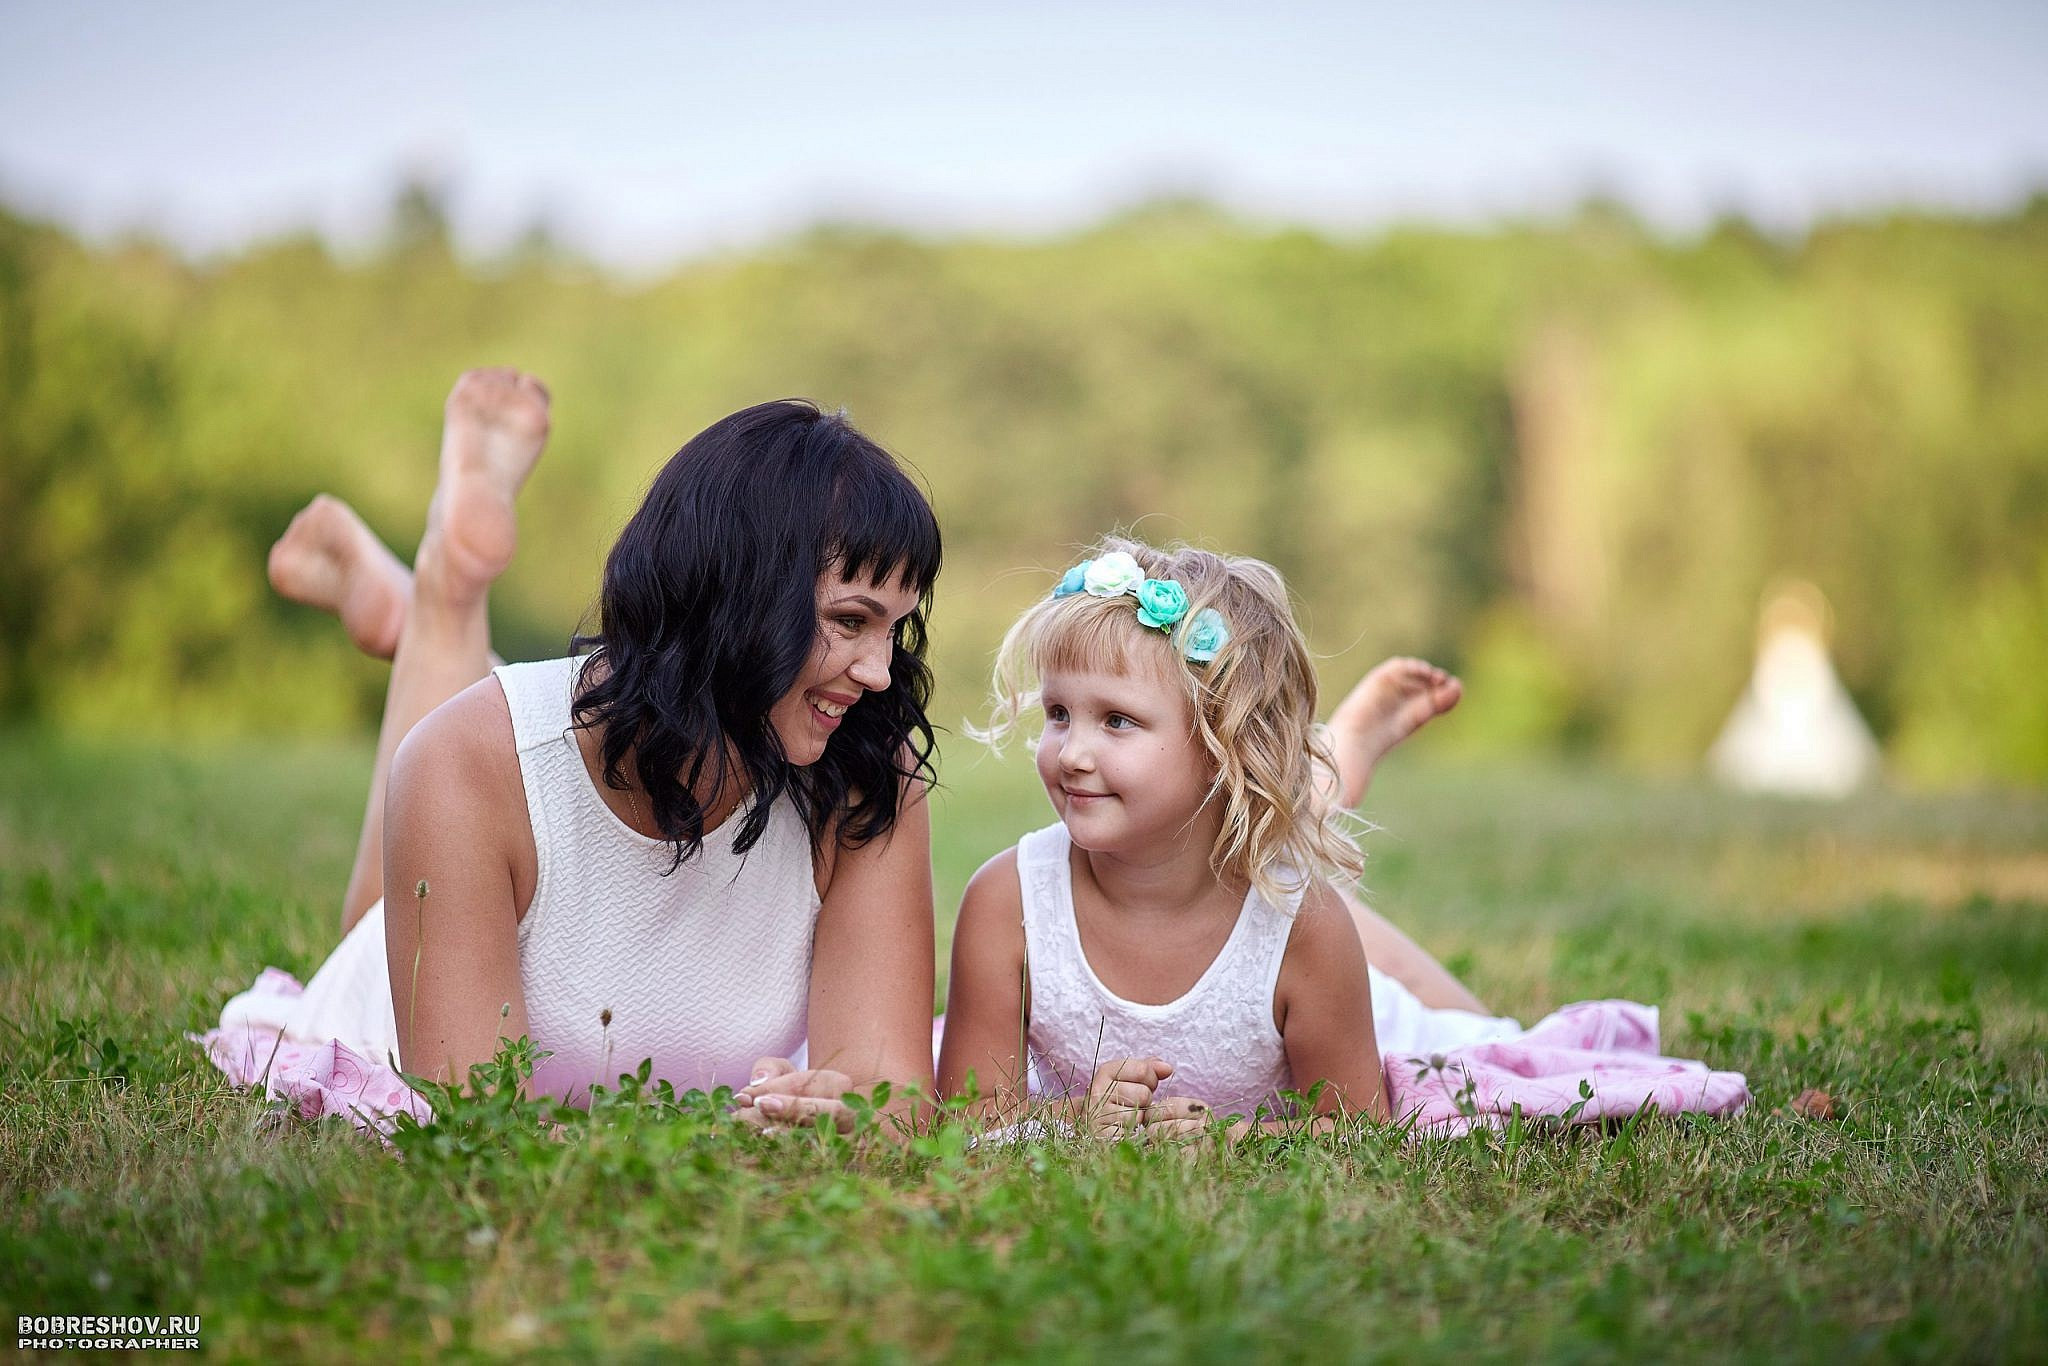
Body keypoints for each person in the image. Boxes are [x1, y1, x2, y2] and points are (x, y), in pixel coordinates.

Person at [200, 370, 941, 1132]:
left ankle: (427, 612)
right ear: (741, 595)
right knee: (386, 899)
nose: (881, 673)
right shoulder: (466, 760)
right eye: (851, 621)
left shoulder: (863, 773)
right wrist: (716, 1147)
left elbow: (891, 1100)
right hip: (379, 1013)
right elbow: (478, 1128)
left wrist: (846, 1120)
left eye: (893, 629)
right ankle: (443, 598)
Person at [936, 537, 1525, 1140]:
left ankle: (1330, 769)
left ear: (1224, 744)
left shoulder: (1306, 929)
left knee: (1481, 1043)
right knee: (1279, 851)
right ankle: (1325, 777)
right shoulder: (1008, 902)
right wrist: (1074, 1123)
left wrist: (1228, 1138)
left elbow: (1359, 1133)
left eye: (1117, 720)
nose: (1072, 754)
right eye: (1059, 713)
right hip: (1230, 863)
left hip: (1362, 1006)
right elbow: (969, 1127)